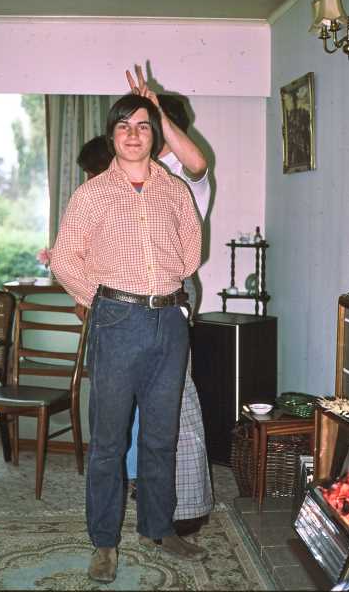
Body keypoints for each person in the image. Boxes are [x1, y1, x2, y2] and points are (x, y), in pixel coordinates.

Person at [51, 93, 207, 584]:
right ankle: (104, 542)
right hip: (117, 321)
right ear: (112, 134)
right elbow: (64, 259)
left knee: (161, 435)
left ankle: (159, 528)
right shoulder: (91, 194)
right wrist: (100, 301)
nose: (134, 134)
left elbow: (191, 254)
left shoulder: (175, 190)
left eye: (143, 125)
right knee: (109, 441)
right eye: (124, 126)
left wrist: (165, 286)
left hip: (170, 322)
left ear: (154, 134)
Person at [125, 65, 213, 534]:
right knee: (145, 399)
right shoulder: (140, 176)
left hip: (173, 292)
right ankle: (153, 492)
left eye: (150, 124)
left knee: (177, 396)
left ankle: (188, 508)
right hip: (134, 295)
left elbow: (197, 164)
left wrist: (156, 109)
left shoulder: (186, 177)